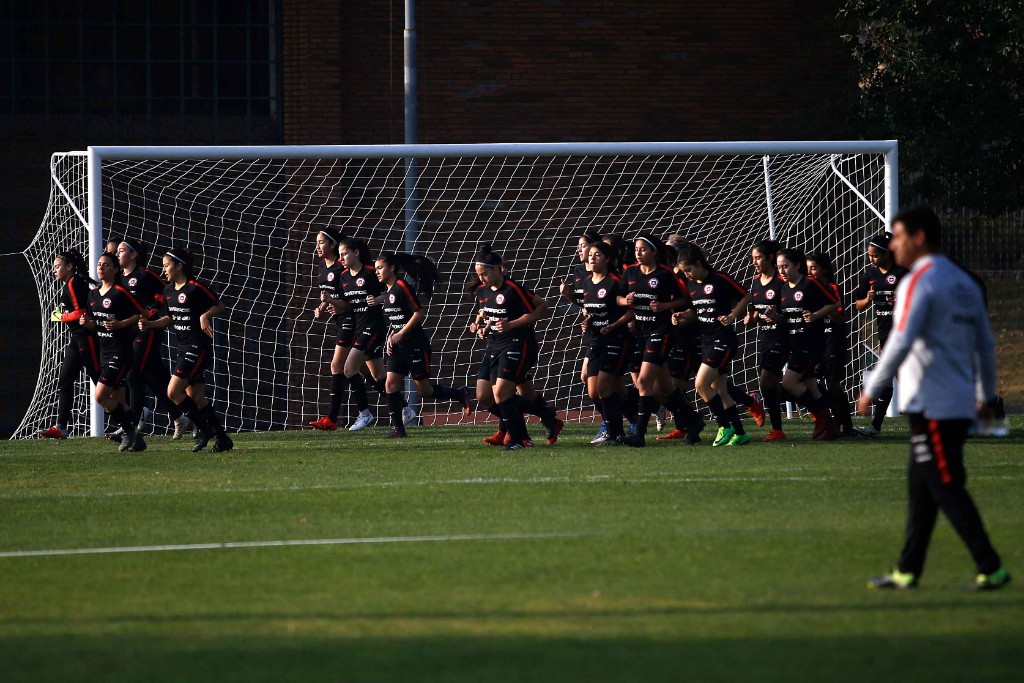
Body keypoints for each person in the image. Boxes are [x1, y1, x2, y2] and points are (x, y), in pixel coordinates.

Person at [860, 206, 1010, 591]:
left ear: (919, 237)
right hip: (954, 400)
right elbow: (985, 346)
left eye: (897, 236)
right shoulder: (964, 281)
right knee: (921, 488)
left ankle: (990, 565)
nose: (893, 245)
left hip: (933, 404)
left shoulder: (918, 281)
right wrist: (986, 393)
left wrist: (872, 387)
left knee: (945, 484)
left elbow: (901, 338)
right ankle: (907, 570)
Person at [140, 247, 233, 452]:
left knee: (173, 391)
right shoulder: (168, 291)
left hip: (198, 348)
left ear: (179, 265)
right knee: (197, 398)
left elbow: (220, 306)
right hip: (182, 348)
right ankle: (223, 438)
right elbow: (168, 319)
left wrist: (204, 315)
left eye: (166, 266)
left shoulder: (195, 288)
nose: (163, 270)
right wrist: (149, 324)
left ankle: (204, 429)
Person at [375, 252, 472, 438]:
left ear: (392, 268)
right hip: (398, 347)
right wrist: (391, 336)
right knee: (390, 384)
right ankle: (399, 430)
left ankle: (459, 394)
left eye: (380, 268)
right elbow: (398, 320)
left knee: (424, 390)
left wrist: (401, 333)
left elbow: (418, 314)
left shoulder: (402, 287)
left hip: (415, 345)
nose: (377, 272)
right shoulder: (388, 292)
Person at [618, 234, 700, 448]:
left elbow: (686, 298)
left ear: (654, 251)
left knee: (644, 382)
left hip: (661, 332)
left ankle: (639, 434)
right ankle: (694, 421)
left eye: (643, 249)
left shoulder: (664, 274)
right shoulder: (630, 272)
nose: (638, 252)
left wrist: (664, 307)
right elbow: (618, 297)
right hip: (641, 334)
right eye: (636, 249)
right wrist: (624, 300)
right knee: (664, 388)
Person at [472, 245, 557, 450]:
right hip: (494, 344)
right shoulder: (483, 290)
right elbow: (486, 312)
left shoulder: (513, 289)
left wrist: (511, 324)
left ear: (496, 269)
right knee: (484, 395)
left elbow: (534, 312)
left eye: (484, 274)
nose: (481, 279)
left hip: (517, 344)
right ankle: (545, 414)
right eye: (478, 275)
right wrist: (480, 327)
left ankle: (517, 438)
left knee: (502, 393)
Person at [116, 238, 193, 440]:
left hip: (148, 331)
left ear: (133, 255)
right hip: (130, 333)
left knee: (133, 375)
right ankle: (183, 416)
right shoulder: (118, 280)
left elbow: (164, 294)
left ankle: (131, 427)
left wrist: (151, 312)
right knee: (157, 379)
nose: (117, 254)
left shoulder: (145, 275)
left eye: (121, 250)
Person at [678, 243, 752, 447]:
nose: (687, 275)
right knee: (719, 387)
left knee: (700, 384)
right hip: (707, 340)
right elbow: (695, 312)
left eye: (688, 270)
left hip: (724, 340)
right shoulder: (692, 286)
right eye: (684, 272)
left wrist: (732, 316)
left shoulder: (720, 279)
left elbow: (746, 295)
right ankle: (740, 433)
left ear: (699, 264)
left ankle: (724, 425)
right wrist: (682, 315)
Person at [80, 252, 148, 451]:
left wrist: (121, 324)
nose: (101, 268)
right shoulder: (92, 294)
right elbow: (95, 325)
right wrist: (87, 323)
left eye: (106, 265)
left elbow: (142, 314)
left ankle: (127, 431)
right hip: (104, 351)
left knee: (100, 396)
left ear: (116, 269)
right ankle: (137, 437)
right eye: (99, 264)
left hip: (121, 351)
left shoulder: (120, 292)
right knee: (118, 400)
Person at [773, 248, 841, 441]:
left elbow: (835, 303)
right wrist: (774, 317)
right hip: (795, 343)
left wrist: (816, 315)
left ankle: (821, 417)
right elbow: (786, 318)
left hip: (811, 342)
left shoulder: (810, 284)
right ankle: (831, 425)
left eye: (785, 266)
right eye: (779, 268)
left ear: (797, 265)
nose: (782, 271)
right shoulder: (784, 289)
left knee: (789, 383)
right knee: (810, 385)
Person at [38, 249, 101, 439]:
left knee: (101, 381)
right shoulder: (70, 284)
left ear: (69, 267)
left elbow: (81, 312)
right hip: (76, 340)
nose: (53, 270)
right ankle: (61, 427)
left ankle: (132, 415)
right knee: (65, 380)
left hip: (86, 338)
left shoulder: (73, 283)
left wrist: (61, 317)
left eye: (57, 266)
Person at [853, 231, 909, 436]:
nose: (871, 259)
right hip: (885, 333)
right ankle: (875, 427)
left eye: (875, 255)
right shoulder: (870, 275)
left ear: (888, 254)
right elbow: (858, 305)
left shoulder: (903, 272)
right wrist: (867, 300)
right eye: (869, 255)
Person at [579, 240, 634, 445]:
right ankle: (630, 416)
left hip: (616, 339)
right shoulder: (585, 283)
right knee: (593, 391)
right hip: (596, 339)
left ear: (608, 259)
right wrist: (587, 322)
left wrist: (613, 326)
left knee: (604, 388)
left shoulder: (615, 281)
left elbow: (630, 311)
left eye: (597, 255)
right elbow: (590, 311)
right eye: (590, 254)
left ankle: (614, 432)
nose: (592, 258)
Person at [307, 227, 352, 431]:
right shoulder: (322, 268)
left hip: (352, 320)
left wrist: (333, 302)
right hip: (339, 321)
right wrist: (322, 307)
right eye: (317, 243)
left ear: (333, 244)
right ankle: (402, 408)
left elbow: (349, 301)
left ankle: (332, 419)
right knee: (364, 370)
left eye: (321, 242)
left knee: (337, 366)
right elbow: (328, 295)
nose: (317, 246)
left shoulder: (342, 268)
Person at [807, 251, 855, 438]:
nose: (810, 272)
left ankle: (846, 425)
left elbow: (840, 317)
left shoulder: (833, 287)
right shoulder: (806, 287)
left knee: (833, 383)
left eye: (814, 268)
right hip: (815, 340)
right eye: (808, 268)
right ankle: (832, 421)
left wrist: (822, 310)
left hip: (833, 339)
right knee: (810, 381)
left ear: (824, 269)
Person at [743, 240, 788, 441]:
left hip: (783, 336)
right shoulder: (755, 281)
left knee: (766, 382)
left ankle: (777, 429)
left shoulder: (781, 281)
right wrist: (749, 318)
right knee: (778, 385)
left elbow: (791, 310)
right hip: (764, 338)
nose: (754, 262)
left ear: (770, 258)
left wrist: (778, 316)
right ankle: (817, 407)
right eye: (752, 258)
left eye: (758, 257)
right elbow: (753, 313)